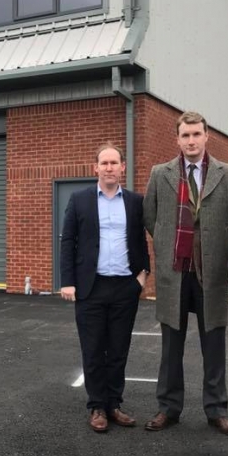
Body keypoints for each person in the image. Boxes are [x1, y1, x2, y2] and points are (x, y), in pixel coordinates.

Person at [142, 111, 228, 436]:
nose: (191, 141)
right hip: (175, 272)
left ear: (206, 136)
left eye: (196, 134)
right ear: (177, 139)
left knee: (213, 344)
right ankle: (168, 408)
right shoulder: (161, 173)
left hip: (211, 274)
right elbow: (150, 217)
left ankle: (217, 410)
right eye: (185, 135)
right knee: (171, 346)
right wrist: (166, 242)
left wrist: (215, 247)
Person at [60, 143, 151, 432]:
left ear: (123, 167)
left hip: (125, 287)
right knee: (93, 349)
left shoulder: (135, 202)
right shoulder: (80, 200)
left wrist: (142, 276)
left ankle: (114, 404)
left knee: (118, 349)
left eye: (114, 163)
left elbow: (140, 240)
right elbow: (68, 240)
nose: (109, 168)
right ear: (95, 168)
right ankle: (97, 406)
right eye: (104, 163)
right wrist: (68, 281)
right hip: (91, 287)